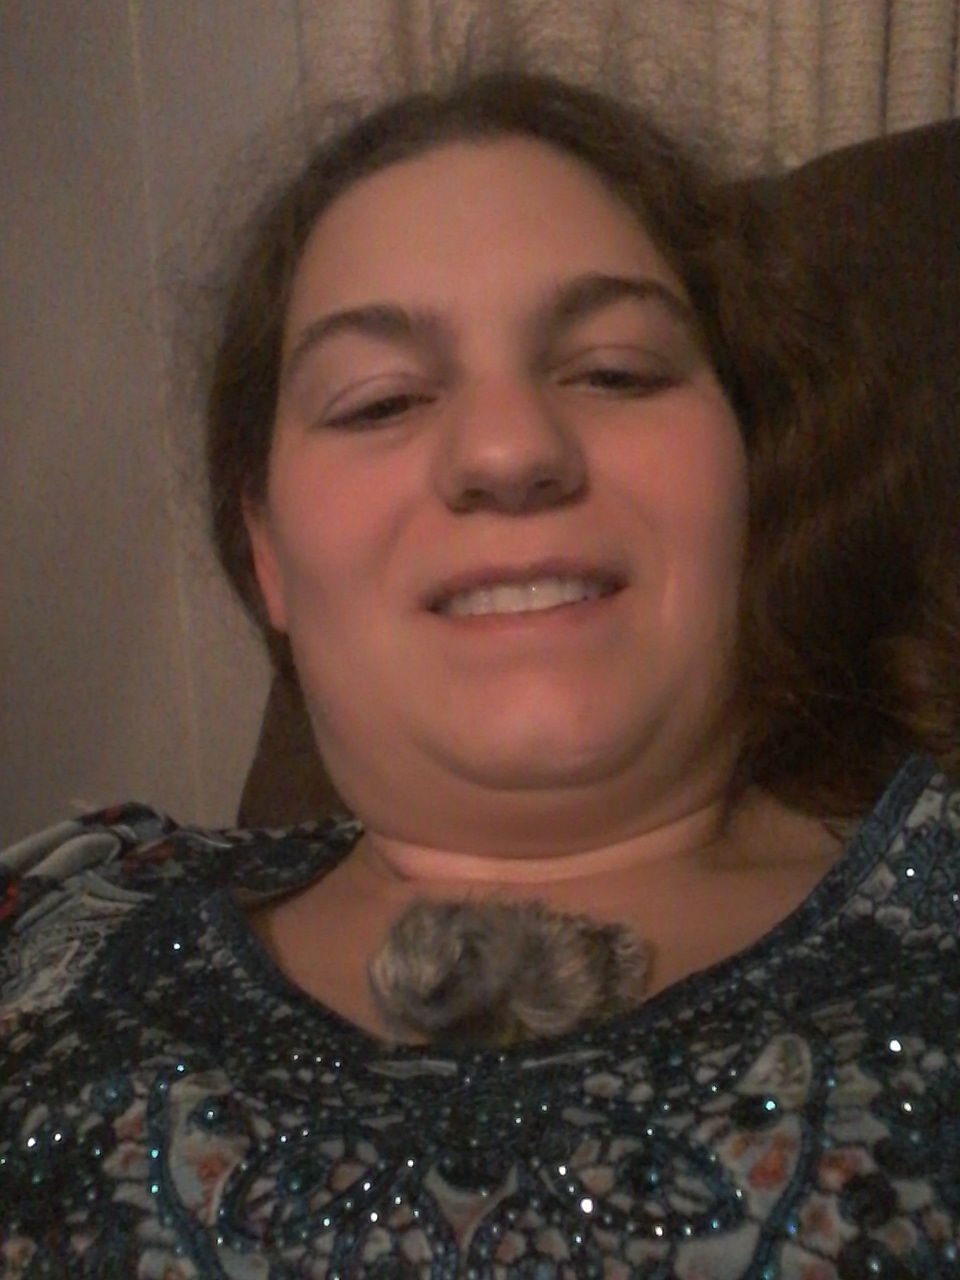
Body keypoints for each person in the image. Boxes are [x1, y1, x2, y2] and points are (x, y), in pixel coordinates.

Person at [1, 67, 958, 1280]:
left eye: (615, 371)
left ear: (753, 470)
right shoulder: (59, 923)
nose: (509, 450)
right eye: (382, 400)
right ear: (267, 550)